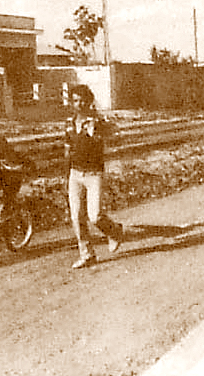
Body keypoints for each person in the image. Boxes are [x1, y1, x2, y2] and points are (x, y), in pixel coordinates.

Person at [65, 84, 125, 269]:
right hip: (75, 174)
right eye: (76, 101)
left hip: (93, 174)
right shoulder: (69, 123)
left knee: (95, 216)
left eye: (83, 100)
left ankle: (114, 231)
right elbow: (67, 147)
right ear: (72, 103)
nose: (79, 104)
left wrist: (99, 127)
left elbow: (115, 134)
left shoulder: (98, 121)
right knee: (77, 217)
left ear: (89, 101)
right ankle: (87, 254)